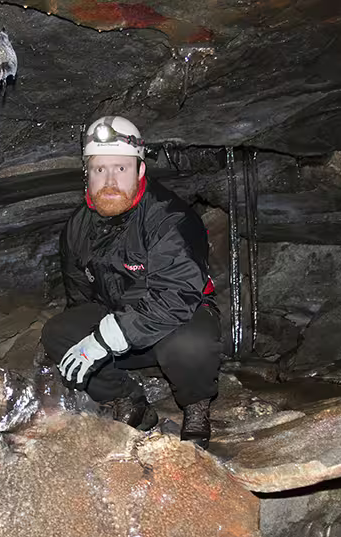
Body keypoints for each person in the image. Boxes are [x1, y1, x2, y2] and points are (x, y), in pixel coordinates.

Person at [40, 116, 222, 448]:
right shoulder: (77, 229)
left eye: (120, 169)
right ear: (87, 176)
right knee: (58, 333)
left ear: (139, 172)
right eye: (99, 170)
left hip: (177, 321)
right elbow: (80, 300)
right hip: (121, 326)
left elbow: (174, 299)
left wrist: (104, 340)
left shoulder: (170, 219)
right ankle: (131, 402)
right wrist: (86, 347)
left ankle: (196, 405)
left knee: (189, 344)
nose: (109, 180)